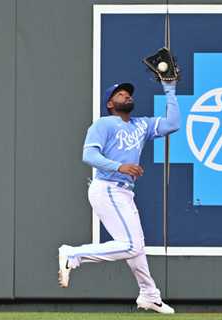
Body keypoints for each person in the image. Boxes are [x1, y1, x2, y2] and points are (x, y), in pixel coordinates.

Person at [57, 80, 179, 314]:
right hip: (107, 187)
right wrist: (119, 166)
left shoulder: (141, 125)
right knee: (132, 246)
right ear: (110, 103)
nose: (126, 96)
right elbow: (89, 155)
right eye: (120, 94)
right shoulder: (104, 124)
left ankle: (149, 295)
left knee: (136, 247)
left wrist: (170, 89)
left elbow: (173, 124)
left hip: (123, 192)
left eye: (128, 93)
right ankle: (74, 254)